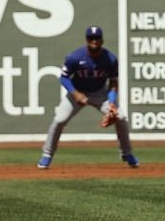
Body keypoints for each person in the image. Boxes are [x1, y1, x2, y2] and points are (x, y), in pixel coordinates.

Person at [37, 26, 136, 169]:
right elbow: (64, 78)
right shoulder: (75, 57)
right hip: (77, 91)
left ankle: (126, 153)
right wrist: (76, 94)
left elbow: (113, 82)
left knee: (120, 117)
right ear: (86, 40)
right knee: (59, 120)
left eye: (97, 38)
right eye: (91, 38)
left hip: (100, 93)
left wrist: (112, 103)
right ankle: (47, 154)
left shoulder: (110, 59)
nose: (94, 41)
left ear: (102, 40)